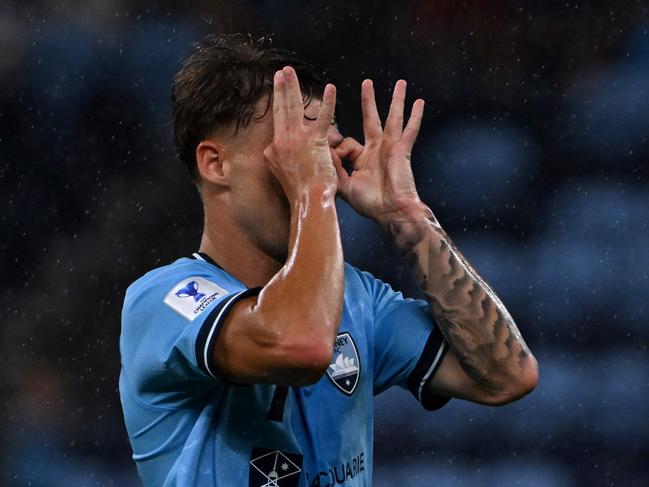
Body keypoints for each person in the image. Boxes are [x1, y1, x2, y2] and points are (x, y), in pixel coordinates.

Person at [119, 33, 538, 487]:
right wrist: (312, 189)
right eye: (295, 154)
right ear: (215, 163)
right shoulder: (165, 300)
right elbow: (302, 346)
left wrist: (408, 218)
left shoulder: (358, 297)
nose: (320, 173)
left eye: (325, 153)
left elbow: (507, 378)